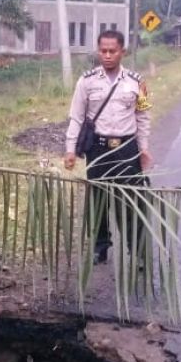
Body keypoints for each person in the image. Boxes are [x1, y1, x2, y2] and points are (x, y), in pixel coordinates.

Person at [63, 30, 152, 264]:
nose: (108, 55)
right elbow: (76, 117)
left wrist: (143, 149)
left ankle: (137, 251)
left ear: (123, 51)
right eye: (103, 51)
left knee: (131, 201)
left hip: (127, 150)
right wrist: (70, 150)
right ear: (98, 50)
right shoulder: (86, 81)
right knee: (98, 201)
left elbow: (143, 117)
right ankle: (100, 247)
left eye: (113, 51)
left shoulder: (137, 82)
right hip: (98, 149)